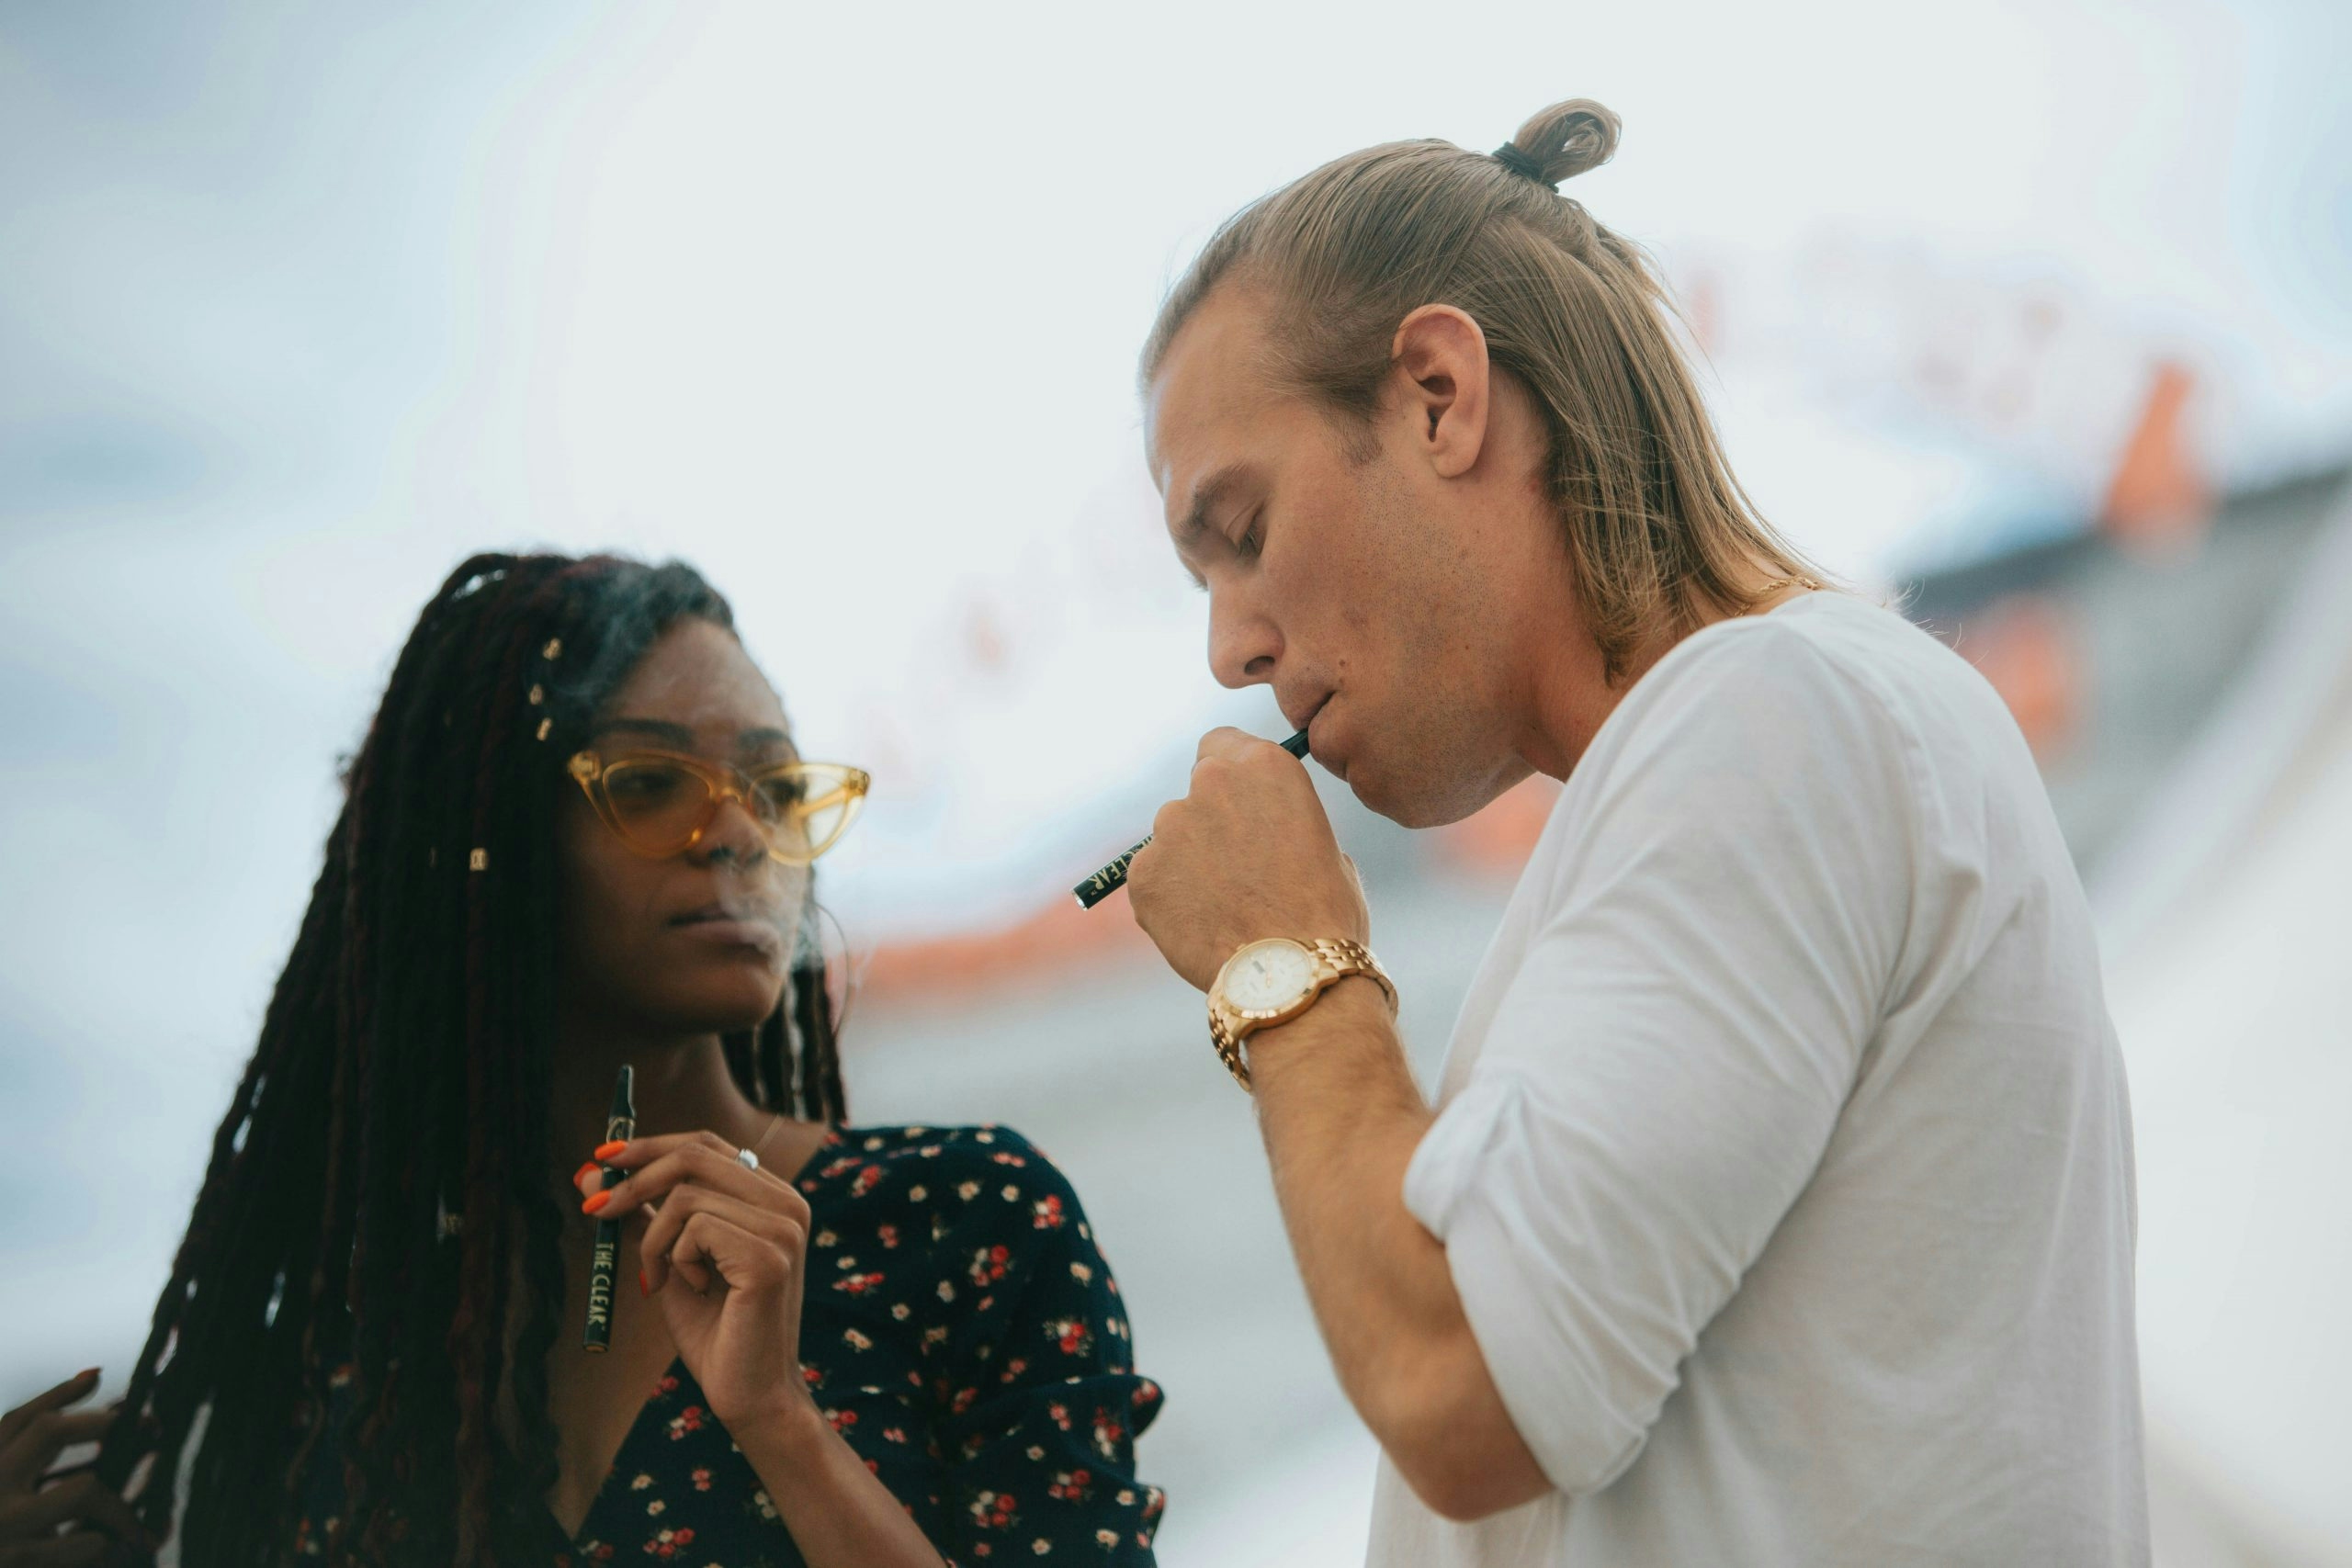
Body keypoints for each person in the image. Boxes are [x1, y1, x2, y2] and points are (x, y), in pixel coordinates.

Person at [1123, 97, 2148, 1565]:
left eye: (1243, 529)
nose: (1230, 647)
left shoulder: (1777, 719)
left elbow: (1461, 1382)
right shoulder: (1772, 732)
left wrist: (1281, 964)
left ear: (1438, 394)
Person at [2, 553, 1163, 1567]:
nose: (736, 834)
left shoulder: (956, 1222)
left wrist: (782, 1426)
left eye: (774, 790)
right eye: (650, 785)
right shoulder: (345, 1368)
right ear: (485, 837)